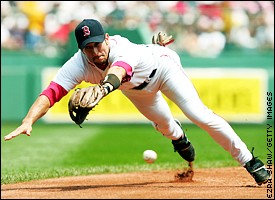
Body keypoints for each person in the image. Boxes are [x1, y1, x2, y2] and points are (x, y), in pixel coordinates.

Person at [4, 19, 270, 186]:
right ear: (81, 49)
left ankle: (250, 161)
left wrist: (104, 88)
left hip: (164, 68)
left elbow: (118, 71)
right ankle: (179, 138)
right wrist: (28, 120)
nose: (95, 52)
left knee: (198, 113)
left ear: (106, 38)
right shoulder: (78, 64)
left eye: (98, 44)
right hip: (138, 91)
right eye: (88, 47)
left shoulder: (121, 48)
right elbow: (51, 92)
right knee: (165, 126)